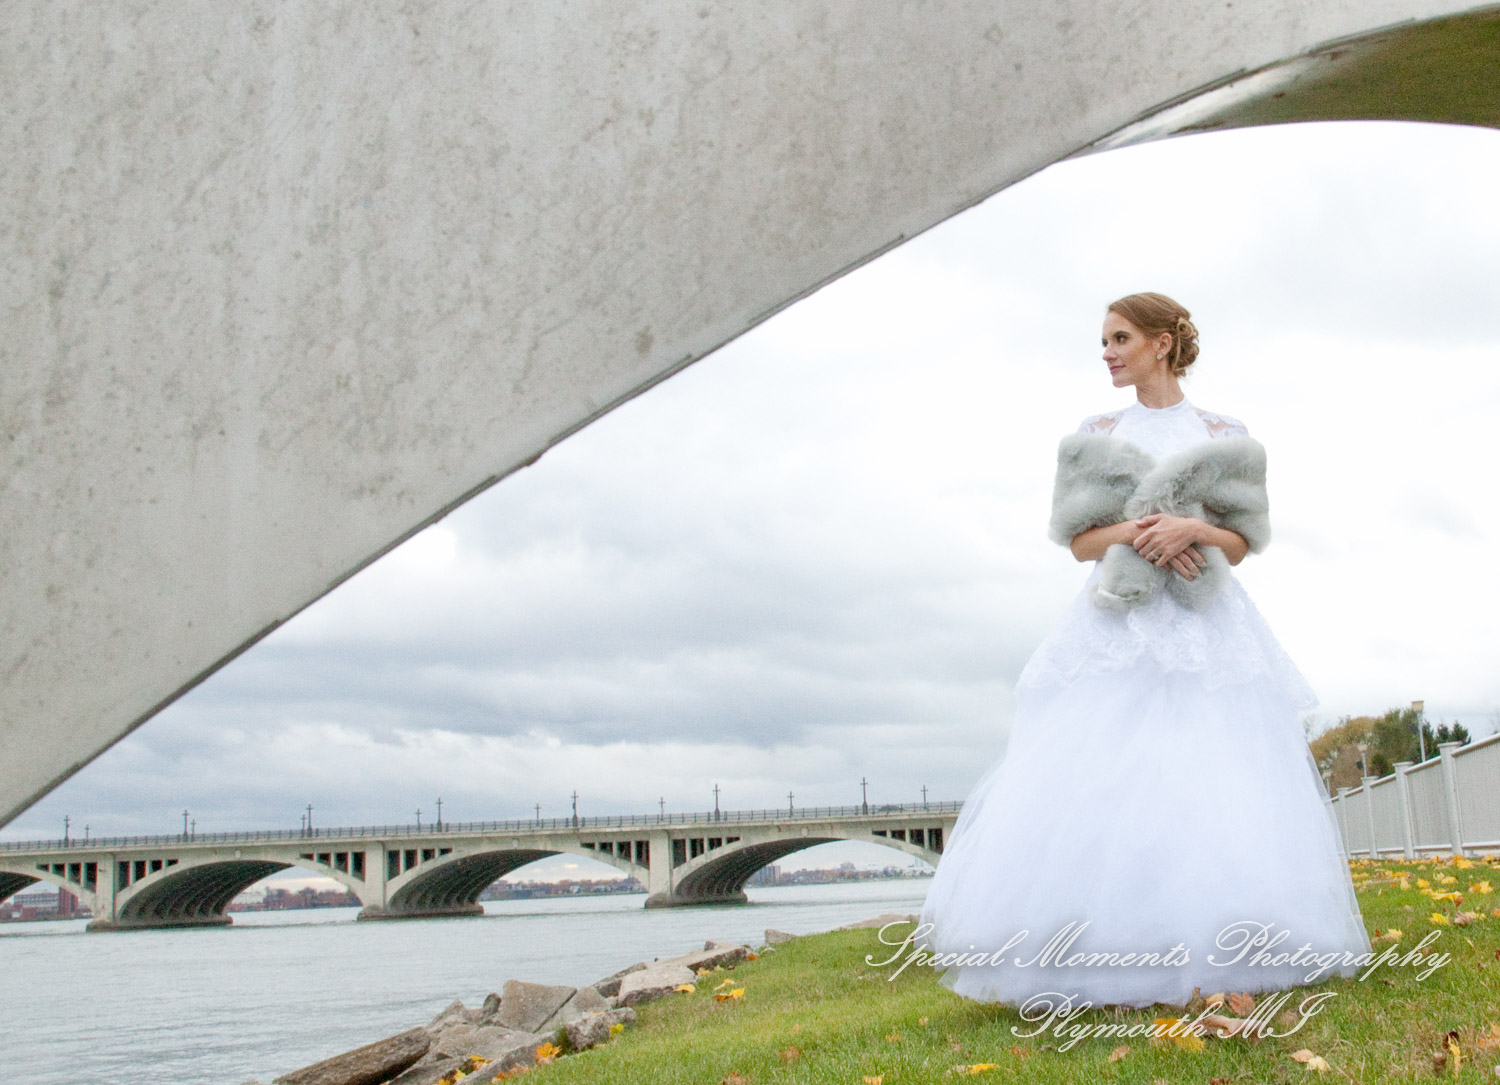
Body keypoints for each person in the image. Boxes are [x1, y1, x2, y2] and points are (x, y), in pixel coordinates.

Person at [915, 292, 1371, 1012]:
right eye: (1103, 340)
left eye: (1119, 337)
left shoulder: (1226, 432)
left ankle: (1227, 950)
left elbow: (1244, 541)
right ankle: (1107, 957)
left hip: (1207, 624)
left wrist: (1191, 528)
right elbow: (1077, 542)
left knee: (1218, 782)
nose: (1106, 351)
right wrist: (1136, 533)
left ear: (1162, 342)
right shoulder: (1095, 433)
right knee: (1106, 784)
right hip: (1118, 628)